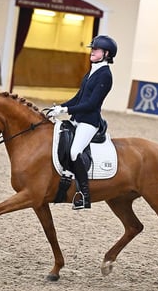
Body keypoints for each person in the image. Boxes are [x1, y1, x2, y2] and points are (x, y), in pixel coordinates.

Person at [47, 35, 117, 210]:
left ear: (106, 53)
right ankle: (66, 177)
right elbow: (79, 98)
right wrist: (60, 107)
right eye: (92, 49)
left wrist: (67, 111)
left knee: (74, 151)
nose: (92, 51)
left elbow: (92, 104)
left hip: (89, 122)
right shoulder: (92, 71)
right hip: (77, 119)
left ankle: (84, 195)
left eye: (96, 49)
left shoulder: (105, 75)